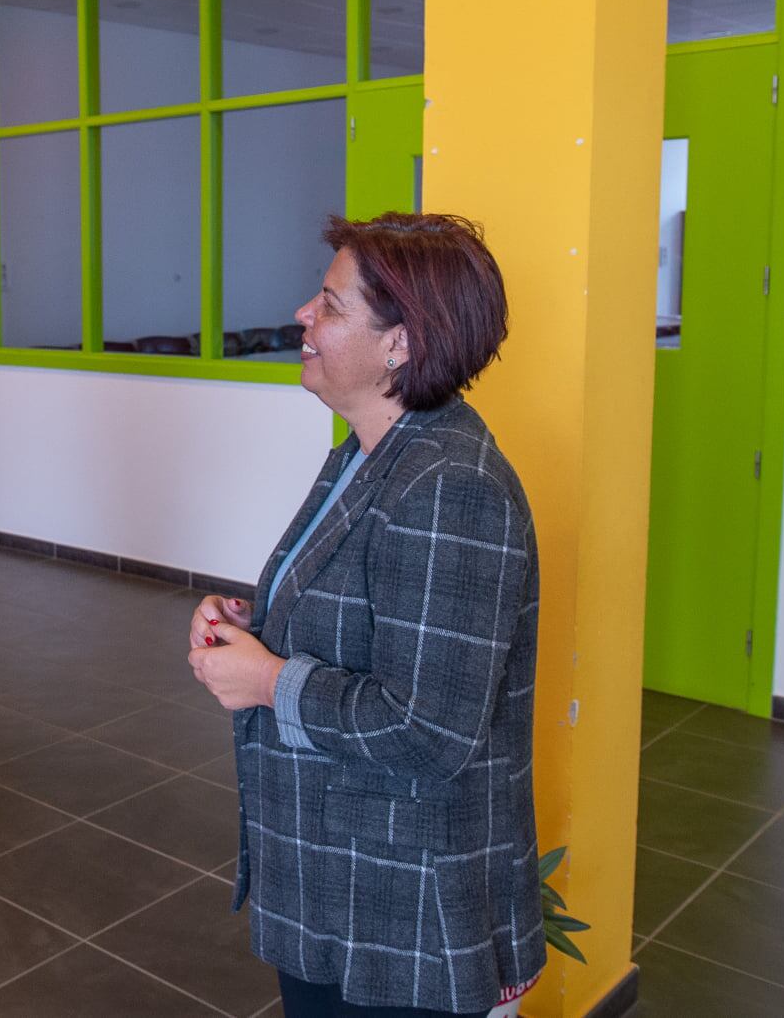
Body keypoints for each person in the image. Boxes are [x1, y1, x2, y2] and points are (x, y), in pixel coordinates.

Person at [187, 212, 543, 1018]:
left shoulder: (451, 485)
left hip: (405, 913)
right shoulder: (366, 446)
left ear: (402, 344)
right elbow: (349, 603)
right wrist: (246, 623)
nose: (303, 317)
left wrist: (269, 678)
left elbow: (429, 729)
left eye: (331, 305)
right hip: (338, 885)